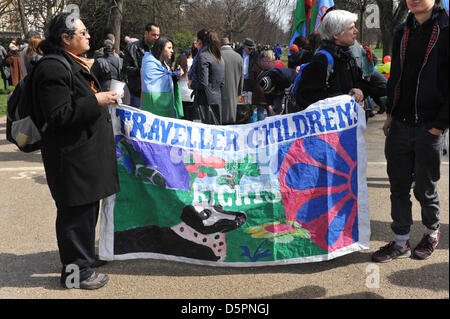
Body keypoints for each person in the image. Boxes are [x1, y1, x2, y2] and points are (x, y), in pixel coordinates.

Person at [31, 12, 120, 289]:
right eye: (82, 33)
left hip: (82, 155)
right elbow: (58, 115)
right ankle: (75, 274)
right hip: (70, 158)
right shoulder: (52, 68)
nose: (89, 36)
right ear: (65, 38)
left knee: (85, 212)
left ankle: (83, 258)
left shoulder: (70, 62)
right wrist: (97, 100)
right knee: (74, 214)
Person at [372, 0, 448, 263]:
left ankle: (431, 233)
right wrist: (390, 113)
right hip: (400, 124)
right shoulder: (402, 31)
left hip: (430, 125)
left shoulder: (445, 28)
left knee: (425, 187)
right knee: (398, 185)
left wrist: (439, 126)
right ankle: (401, 241)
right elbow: (396, 76)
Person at [294, 10, 371, 112]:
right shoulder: (322, 60)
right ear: (336, 34)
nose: (356, 31)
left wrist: (359, 91)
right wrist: (345, 97)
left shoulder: (348, 57)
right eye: (351, 28)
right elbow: (307, 96)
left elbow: (360, 83)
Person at [141, 37, 183, 118]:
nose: (172, 51)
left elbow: (168, 78)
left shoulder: (165, 65)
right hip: (154, 105)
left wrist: (176, 75)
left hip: (167, 104)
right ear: (161, 48)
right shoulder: (149, 63)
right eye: (169, 48)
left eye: (172, 48)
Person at [189, 29, 225, 125]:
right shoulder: (219, 57)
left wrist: (191, 84)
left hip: (204, 101)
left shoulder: (204, 56)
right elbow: (222, 82)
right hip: (217, 98)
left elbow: (203, 83)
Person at [123, 22, 160, 108]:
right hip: (138, 94)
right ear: (146, 33)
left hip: (155, 94)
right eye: (154, 35)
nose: (156, 38)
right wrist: (141, 70)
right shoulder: (132, 47)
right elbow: (125, 69)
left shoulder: (158, 49)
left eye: (158, 35)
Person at [220, 37, 244, 124]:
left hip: (220, 91)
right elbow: (242, 76)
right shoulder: (238, 57)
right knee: (231, 115)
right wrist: (239, 91)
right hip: (233, 90)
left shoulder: (217, 55)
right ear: (230, 45)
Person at [250, 49, 275, 121]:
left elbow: (251, 79)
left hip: (258, 91)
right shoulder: (272, 65)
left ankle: (261, 127)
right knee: (269, 109)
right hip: (269, 90)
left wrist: (253, 88)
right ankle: (270, 125)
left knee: (260, 110)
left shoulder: (256, 65)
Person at [175, 50, 194, 120]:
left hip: (180, 93)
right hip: (190, 93)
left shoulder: (178, 63)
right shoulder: (192, 62)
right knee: (190, 119)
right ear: (190, 55)